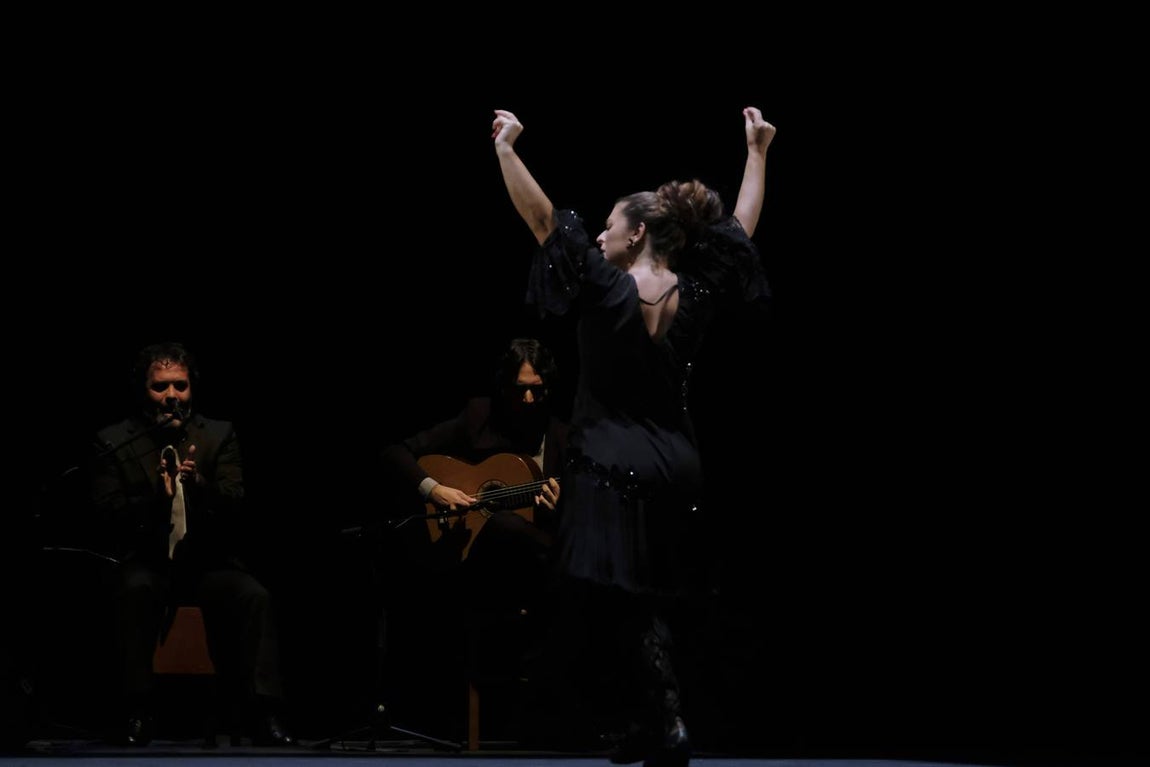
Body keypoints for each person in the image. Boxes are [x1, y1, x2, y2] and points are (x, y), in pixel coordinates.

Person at [491, 106, 777, 767]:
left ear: (638, 232)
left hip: (608, 462)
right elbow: (740, 230)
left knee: (609, 590)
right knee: (636, 591)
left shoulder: (602, 285)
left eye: (608, 226)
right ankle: (652, 718)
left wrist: (506, 149)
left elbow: (542, 220)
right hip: (677, 463)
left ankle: (665, 714)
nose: (596, 237)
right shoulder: (696, 289)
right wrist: (756, 152)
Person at [89, 341, 294, 747]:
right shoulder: (115, 440)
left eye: (180, 387)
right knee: (133, 589)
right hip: (148, 561)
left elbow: (237, 504)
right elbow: (105, 514)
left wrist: (197, 485)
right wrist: (157, 500)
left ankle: (265, 713)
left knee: (254, 596)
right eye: (160, 387)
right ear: (143, 390)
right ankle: (136, 711)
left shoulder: (218, 434)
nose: (171, 397)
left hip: (206, 563)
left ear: (191, 389)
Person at [378, 337, 568, 740]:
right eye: (520, 389)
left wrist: (562, 508)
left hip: (532, 573)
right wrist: (435, 490)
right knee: (497, 525)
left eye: (538, 388)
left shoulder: (563, 438)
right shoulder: (479, 416)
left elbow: (572, 517)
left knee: (518, 534)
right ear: (504, 388)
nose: (530, 399)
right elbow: (396, 452)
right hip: (470, 567)